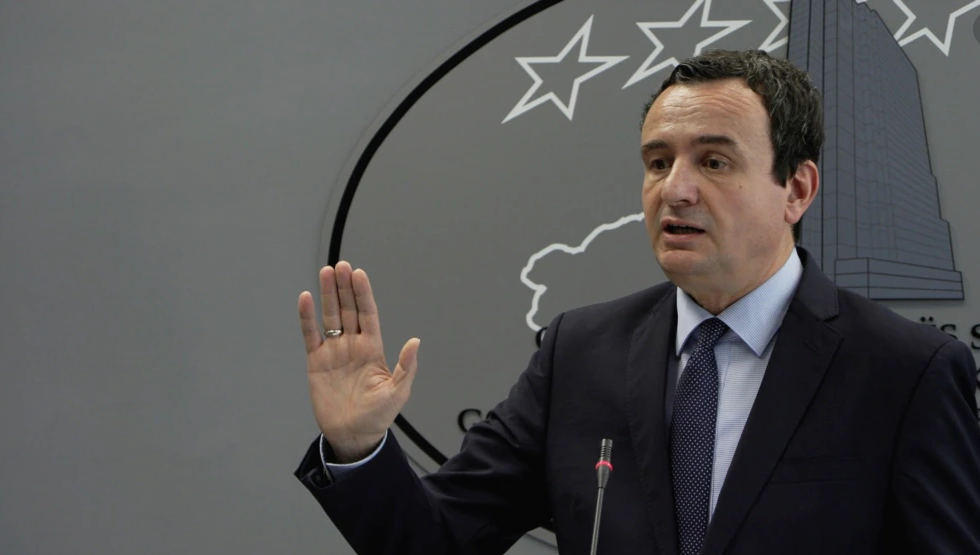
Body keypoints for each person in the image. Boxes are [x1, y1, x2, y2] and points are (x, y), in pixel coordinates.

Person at [293, 49, 980, 554]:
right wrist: (358, 444)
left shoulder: (906, 372)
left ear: (796, 190)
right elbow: (435, 542)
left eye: (713, 161)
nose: (674, 190)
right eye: (658, 162)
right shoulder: (579, 353)